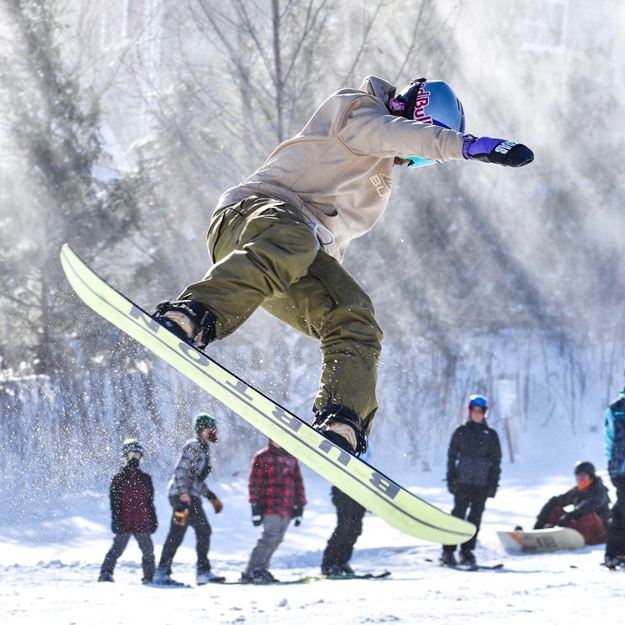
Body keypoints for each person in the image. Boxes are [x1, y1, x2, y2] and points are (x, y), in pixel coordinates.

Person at [151, 76, 534, 455]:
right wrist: (465, 147)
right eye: (420, 154)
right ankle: (193, 314)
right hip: (251, 215)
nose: (410, 162)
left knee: (356, 315)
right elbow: (394, 135)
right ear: (417, 119)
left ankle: (342, 418)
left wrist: (328, 302)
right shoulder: (356, 110)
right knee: (295, 239)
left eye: (420, 163)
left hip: (282, 259)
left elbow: (331, 248)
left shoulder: (377, 185)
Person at [153, 413, 224, 586]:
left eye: (214, 428)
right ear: (201, 430)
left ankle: (167, 572)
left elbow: (196, 480)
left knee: (181, 532)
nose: (213, 431)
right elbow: (182, 471)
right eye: (210, 428)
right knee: (196, 531)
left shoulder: (202, 448)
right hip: (183, 499)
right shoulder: (194, 446)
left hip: (187, 497)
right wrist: (183, 494)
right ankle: (196, 572)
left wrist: (211, 497)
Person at [442, 394, 502, 567]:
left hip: (482, 484)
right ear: (469, 412)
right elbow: (452, 457)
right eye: (474, 410)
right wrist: (451, 479)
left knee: (475, 518)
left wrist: (493, 485)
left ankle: (467, 551)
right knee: (458, 516)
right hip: (462, 482)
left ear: (484, 413)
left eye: (480, 411)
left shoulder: (491, 435)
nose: (477, 414)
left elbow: (496, 462)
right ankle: (448, 550)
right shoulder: (461, 431)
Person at [241, 440, 306, 584]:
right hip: (269, 506)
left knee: (277, 539)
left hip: (287, 507)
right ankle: (252, 570)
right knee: (269, 537)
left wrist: (300, 506)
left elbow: (298, 483)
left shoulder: (291, 458)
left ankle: (262, 569)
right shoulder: (262, 456)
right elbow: (254, 482)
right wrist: (255, 505)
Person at [98, 439, 157, 583]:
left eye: (137, 455)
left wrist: (153, 519)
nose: (134, 458)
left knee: (148, 552)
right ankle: (105, 574)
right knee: (116, 550)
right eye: (131, 455)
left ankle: (150, 577)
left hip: (142, 522)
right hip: (124, 522)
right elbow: (115, 504)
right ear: (125, 456)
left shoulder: (145, 479)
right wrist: (116, 520)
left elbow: (149, 503)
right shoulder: (118, 479)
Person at [533, 461, 609, 545]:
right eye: (578, 476)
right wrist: (540, 521)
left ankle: (566, 537)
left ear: (591, 477)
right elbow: (558, 500)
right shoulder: (577, 491)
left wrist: (570, 516)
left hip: (597, 532)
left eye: (583, 476)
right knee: (555, 508)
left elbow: (588, 506)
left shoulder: (599, 491)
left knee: (589, 515)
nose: (580, 479)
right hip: (581, 529)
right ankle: (538, 533)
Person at [320, 486, 366, 576]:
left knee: (355, 529)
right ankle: (329, 564)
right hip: (343, 492)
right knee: (344, 528)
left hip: (359, 492)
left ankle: (342, 562)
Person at [604, 380, 625, 567]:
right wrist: (611, 466)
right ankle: (616, 553)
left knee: (619, 512)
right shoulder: (616, 408)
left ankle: (614, 553)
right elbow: (609, 440)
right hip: (622, 470)